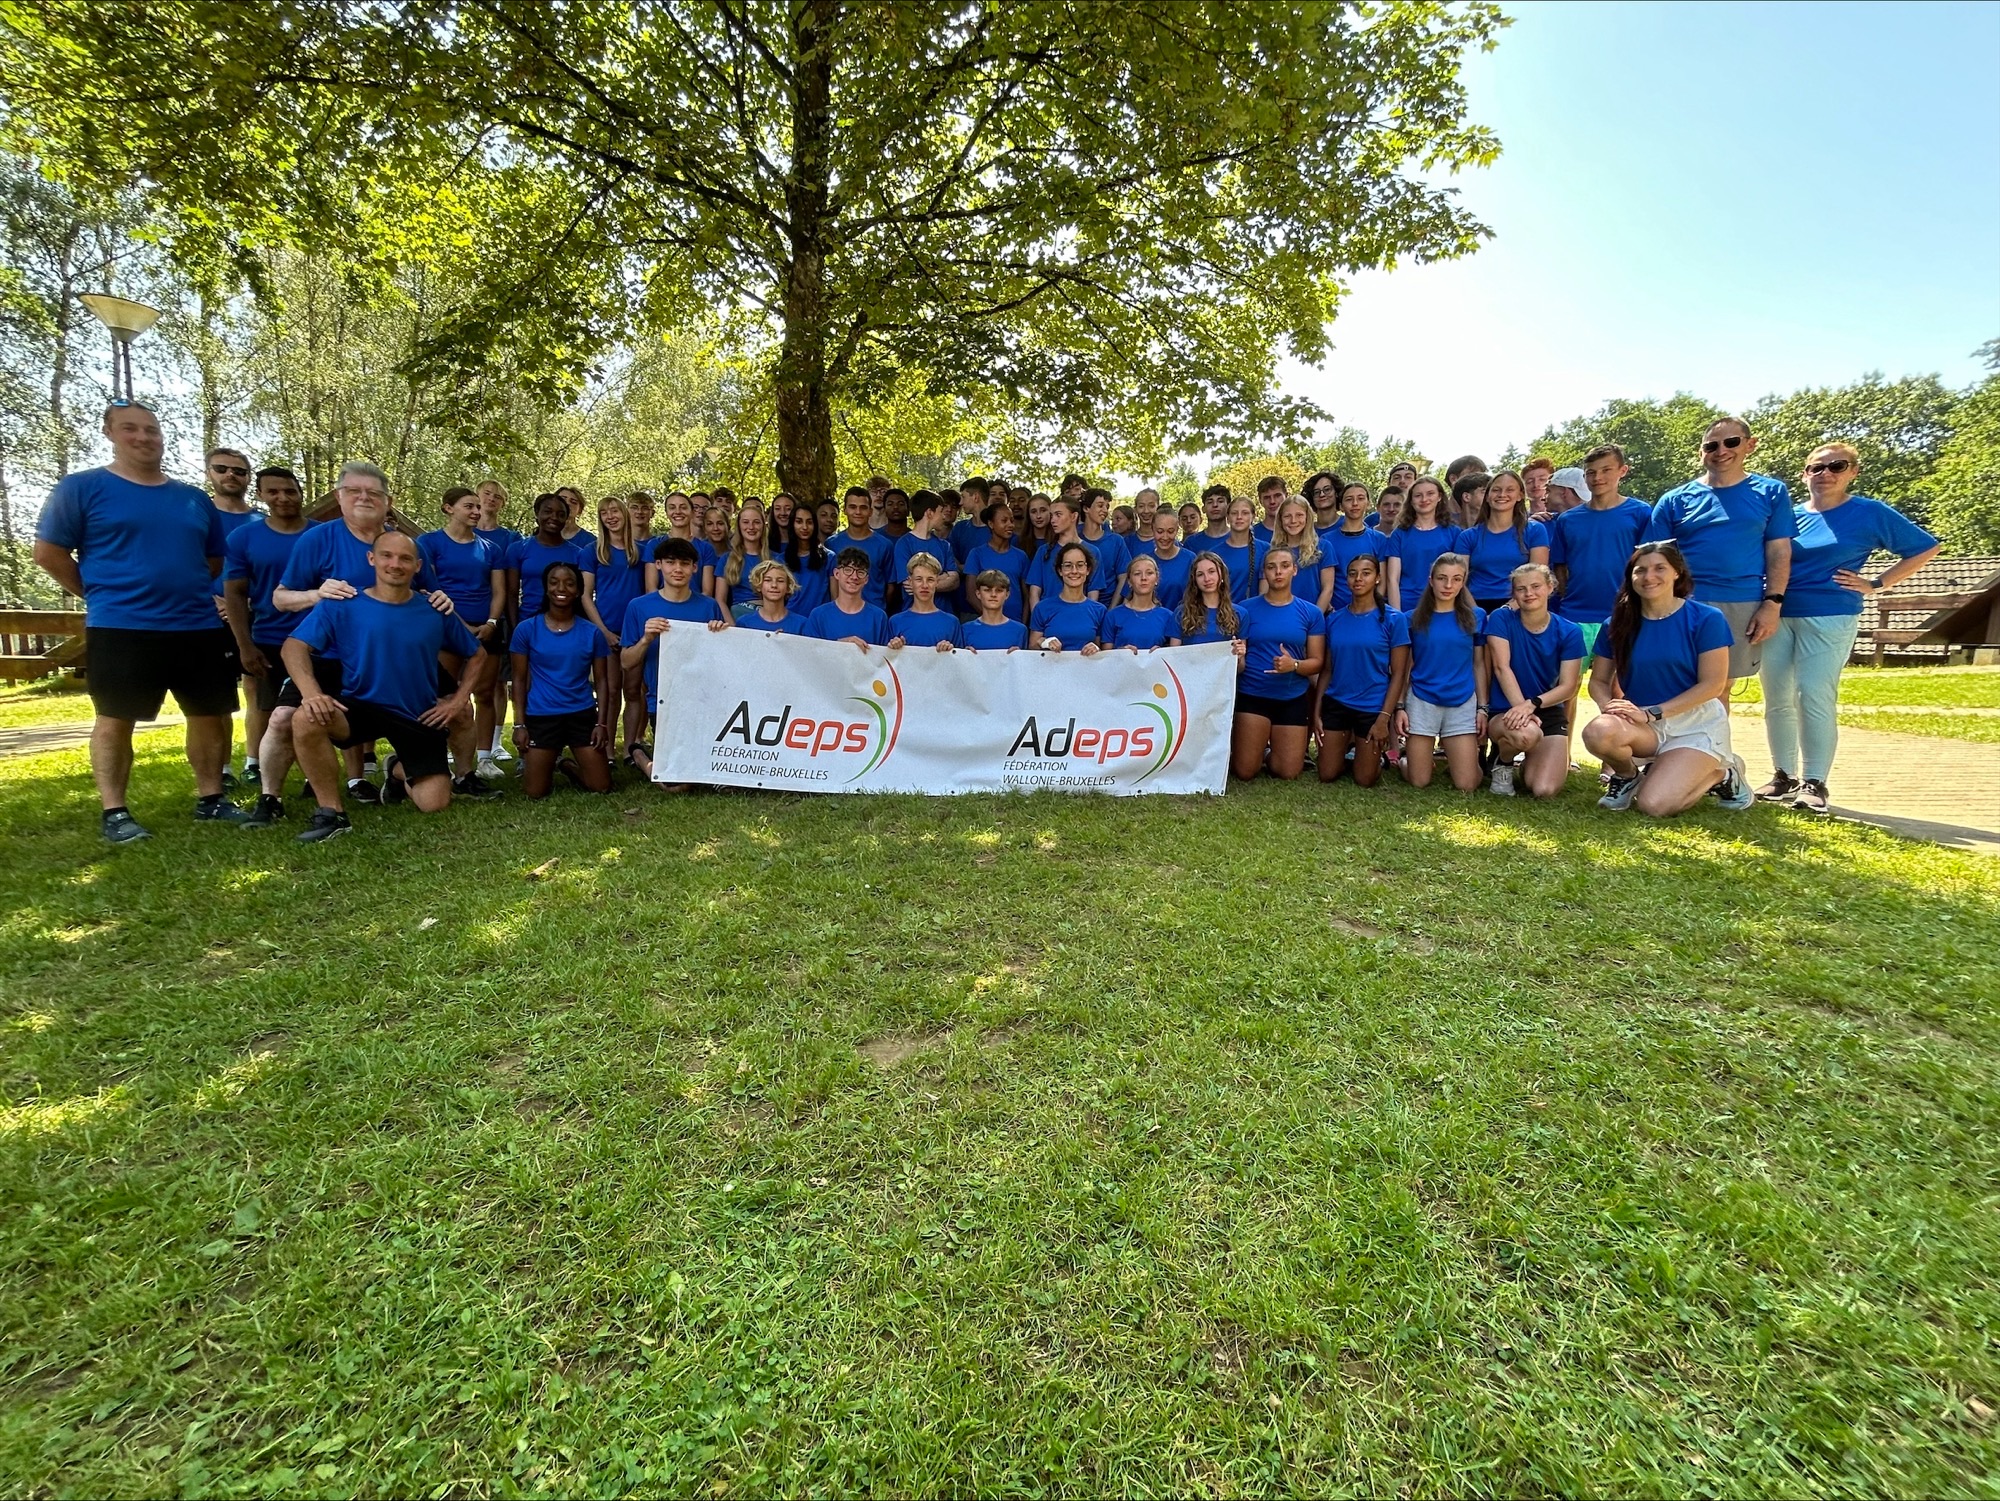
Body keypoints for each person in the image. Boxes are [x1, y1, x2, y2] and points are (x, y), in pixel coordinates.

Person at [32, 401, 247, 840]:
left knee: (209, 714)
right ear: (110, 433)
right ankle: (115, 811)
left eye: (151, 429)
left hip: (196, 624)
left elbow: (210, 559)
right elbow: (48, 554)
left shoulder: (191, 498)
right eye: (131, 429)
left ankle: (211, 798)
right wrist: (100, 593)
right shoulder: (81, 488)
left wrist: (179, 586)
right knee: (115, 717)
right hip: (122, 625)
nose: (144, 437)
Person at [1757, 443, 1939, 814]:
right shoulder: (1788, 516)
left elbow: (1924, 548)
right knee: (1778, 697)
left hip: (1831, 614)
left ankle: (1815, 782)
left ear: (1853, 471)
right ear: (1804, 474)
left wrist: (1877, 583)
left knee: (1814, 694)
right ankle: (1783, 775)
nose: (1825, 474)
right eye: (1816, 468)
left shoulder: (1868, 512)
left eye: (1836, 466)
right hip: (1778, 614)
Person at [283, 530, 492, 842]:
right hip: (360, 707)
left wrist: (458, 700)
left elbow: (477, 654)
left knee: (434, 803)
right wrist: (312, 693)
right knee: (304, 717)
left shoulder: (434, 609)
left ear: (418, 566)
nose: (396, 564)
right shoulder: (343, 603)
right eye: (387, 556)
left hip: (417, 714)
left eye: (405, 558)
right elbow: (293, 647)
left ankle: (397, 771)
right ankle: (331, 813)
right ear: (372, 559)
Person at [266, 460, 450, 809]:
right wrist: (317, 594)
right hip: (331, 656)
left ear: (388, 501)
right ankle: (272, 800)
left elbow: (429, 595)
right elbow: (280, 598)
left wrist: (440, 598)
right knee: (288, 717)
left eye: (373, 493)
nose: (364, 498)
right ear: (339, 496)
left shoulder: (410, 546)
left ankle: (399, 770)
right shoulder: (318, 538)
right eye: (354, 491)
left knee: (447, 718)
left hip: (393, 659)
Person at [1584, 541, 1753, 815]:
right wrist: (1610, 708)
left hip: (1694, 724)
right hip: (1641, 721)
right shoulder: (1616, 623)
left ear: (1677, 572)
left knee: (1654, 805)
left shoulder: (1706, 618)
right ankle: (1627, 777)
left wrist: (1653, 713)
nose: (1649, 577)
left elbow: (1713, 685)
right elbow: (1599, 682)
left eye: (1659, 568)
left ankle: (1723, 774)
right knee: (1598, 731)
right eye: (1640, 571)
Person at [1642, 416, 1795, 709]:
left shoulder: (1771, 492)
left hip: (1740, 600)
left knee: (1719, 685)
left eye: (1731, 442)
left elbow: (1779, 552)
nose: (1721, 450)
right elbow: (1653, 557)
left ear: (1750, 445)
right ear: (1701, 453)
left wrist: (1772, 603)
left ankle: (1714, 752)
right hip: (1682, 601)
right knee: (1672, 680)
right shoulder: (1675, 499)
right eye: (1711, 445)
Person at [222, 467, 315, 803]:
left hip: (319, 640)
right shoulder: (244, 538)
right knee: (268, 710)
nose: (283, 498)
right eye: (273, 492)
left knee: (316, 708)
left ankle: (313, 774)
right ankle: (264, 779)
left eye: (290, 491)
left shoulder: (322, 535)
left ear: (300, 492)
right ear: (260, 495)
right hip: (268, 637)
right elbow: (234, 593)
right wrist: (244, 644)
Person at [419, 486, 508, 788]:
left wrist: (492, 622)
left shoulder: (490, 549)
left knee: (484, 693)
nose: (475, 511)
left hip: (486, 628)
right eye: (468, 506)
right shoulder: (429, 542)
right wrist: (458, 624)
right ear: (448, 508)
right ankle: (440, 758)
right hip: (444, 626)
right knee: (446, 694)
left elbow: (499, 591)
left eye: (477, 507)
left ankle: (483, 759)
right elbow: (429, 587)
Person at [620, 536, 729, 780]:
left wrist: (720, 635)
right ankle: (639, 755)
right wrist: (646, 639)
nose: (677, 569)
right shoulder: (639, 607)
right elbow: (626, 662)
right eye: (670, 563)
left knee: (705, 772)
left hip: (702, 701)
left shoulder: (709, 606)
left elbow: (719, 660)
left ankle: (650, 756)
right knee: (676, 782)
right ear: (658, 565)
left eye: (684, 563)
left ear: (694, 567)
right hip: (663, 702)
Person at [508, 560, 612, 798]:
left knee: (601, 786)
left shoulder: (592, 633)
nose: (561, 588)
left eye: (569, 583)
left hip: (581, 714)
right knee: (535, 792)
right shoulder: (526, 630)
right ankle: (546, 763)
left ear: (578, 590)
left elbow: (603, 682)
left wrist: (602, 724)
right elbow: (519, 679)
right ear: (545, 588)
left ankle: (566, 766)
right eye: (554, 583)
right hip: (542, 716)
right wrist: (519, 724)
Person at [1483, 563, 1585, 798]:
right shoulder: (1501, 619)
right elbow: (1501, 667)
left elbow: (1568, 686)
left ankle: (1531, 761)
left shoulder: (1569, 631)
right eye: (1521, 589)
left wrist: (1532, 705)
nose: (1529, 593)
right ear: (1514, 594)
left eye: (1536, 586)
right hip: (1507, 709)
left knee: (1543, 789)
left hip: (1545, 708)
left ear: (1550, 587)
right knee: (1526, 733)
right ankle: (1504, 760)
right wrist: (1523, 709)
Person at [1313, 552, 1409, 788]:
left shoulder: (1393, 620)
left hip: (1372, 706)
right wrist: (1317, 712)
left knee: (1365, 779)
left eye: (1366, 573)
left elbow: (1398, 674)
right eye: (1353, 574)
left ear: (1377, 578)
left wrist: (1384, 719)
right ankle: (1349, 750)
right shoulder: (1334, 620)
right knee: (1327, 774)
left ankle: (1374, 757)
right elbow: (1327, 670)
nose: (1358, 579)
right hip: (1337, 702)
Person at [1549, 444, 1651, 659]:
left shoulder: (1640, 513)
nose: (1598, 478)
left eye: (1606, 470)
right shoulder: (1567, 520)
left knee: (1619, 687)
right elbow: (1559, 565)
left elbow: (1648, 563)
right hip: (1575, 614)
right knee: (1566, 685)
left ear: (1622, 471)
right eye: (1591, 472)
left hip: (1624, 612)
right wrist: (1568, 594)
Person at [1230, 549, 1325, 781]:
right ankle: (1254, 747)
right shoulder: (1245, 609)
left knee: (1288, 772)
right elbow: (1237, 652)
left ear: (1294, 570)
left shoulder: (1311, 613)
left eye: (1284, 566)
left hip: (1291, 696)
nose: (1278, 571)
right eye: (1271, 567)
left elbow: (1317, 662)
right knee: (1245, 771)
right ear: (1264, 572)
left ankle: (1271, 750)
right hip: (1253, 694)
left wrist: (1293, 665)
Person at [1398, 553, 1487, 792]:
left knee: (1467, 784)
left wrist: (1482, 708)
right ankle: (1407, 759)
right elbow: (1404, 667)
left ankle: (1462, 759)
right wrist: (1400, 707)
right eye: (1442, 578)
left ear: (1463, 582)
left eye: (1456, 579)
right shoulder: (1411, 619)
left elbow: (1479, 664)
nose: (1448, 586)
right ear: (1431, 580)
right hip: (1422, 699)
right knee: (1419, 780)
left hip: (1461, 700)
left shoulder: (1476, 617)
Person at [204, 446, 259, 783]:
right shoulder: (199, 517)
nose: (230, 476)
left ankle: (254, 762)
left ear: (247, 478)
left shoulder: (259, 521)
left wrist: (245, 604)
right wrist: (216, 600)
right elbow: (183, 566)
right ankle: (222, 769)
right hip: (207, 616)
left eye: (238, 471)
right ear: (209, 472)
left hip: (254, 614)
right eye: (222, 469)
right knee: (218, 694)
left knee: (256, 691)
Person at [1455, 469, 1550, 610]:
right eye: (1496, 490)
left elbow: (1537, 576)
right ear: (1487, 497)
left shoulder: (1535, 530)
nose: (1502, 495)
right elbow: (1458, 580)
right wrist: (1476, 613)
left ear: (1520, 496)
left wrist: (1506, 611)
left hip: (1522, 604)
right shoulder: (1468, 536)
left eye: (1510, 490)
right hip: (1475, 605)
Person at [1024, 495, 1114, 611]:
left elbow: (1093, 591)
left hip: (1079, 615)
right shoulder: (1044, 551)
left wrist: (1087, 618)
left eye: (1058, 515)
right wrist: (1038, 617)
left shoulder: (1092, 551)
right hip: (1048, 616)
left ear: (1074, 516)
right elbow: (1034, 590)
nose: (1052, 520)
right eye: (1052, 516)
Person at [507, 493, 589, 619]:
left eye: (561, 514)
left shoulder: (578, 554)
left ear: (566, 519)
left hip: (567, 624)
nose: (554, 517)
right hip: (527, 621)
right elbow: (511, 594)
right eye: (548, 512)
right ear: (537, 514)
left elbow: (582, 595)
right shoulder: (518, 549)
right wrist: (514, 629)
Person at [1387, 476, 1456, 613]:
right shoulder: (1399, 534)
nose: (1424, 500)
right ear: (1411, 501)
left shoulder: (1454, 533)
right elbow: (1392, 579)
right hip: (1408, 604)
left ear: (1439, 497)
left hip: (1443, 605)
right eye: (1418, 495)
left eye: (1430, 494)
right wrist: (1397, 616)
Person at [806, 546, 893, 647]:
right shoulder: (818, 615)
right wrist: (841, 646)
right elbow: (810, 655)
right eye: (848, 570)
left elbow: (884, 658)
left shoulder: (878, 617)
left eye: (860, 572)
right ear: (837, 574)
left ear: (866, 579)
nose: (854, 577)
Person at [1028, 543, 1107, 652]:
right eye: (1068, 565)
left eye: (1080, 565)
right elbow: (1032, 647)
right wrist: (1043, 642)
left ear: (1088, 570)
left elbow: (1105, 650)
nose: (1074, 571)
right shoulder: (1042, 608)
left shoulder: (1099, 611)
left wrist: (1096, 648)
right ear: (1060, 570)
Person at [1319, 483, 1385, 612]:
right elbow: (1324, 583)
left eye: (1360, 498)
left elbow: (1381, 580)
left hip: (1369, 611)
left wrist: (1374, 609)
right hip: (1335, 612)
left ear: (1368, 503)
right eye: (1349, 499)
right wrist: (1330, 610)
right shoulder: (1326, 540)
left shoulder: (1378, 539)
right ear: (1341, 506)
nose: (1355, 503)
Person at [890, 492, 961, 612]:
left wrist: (921, 582)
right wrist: (943, 577)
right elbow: (909, 585)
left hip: (944, 616)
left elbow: (955, 581)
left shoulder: (944, 545)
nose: (944, 517)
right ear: (929, 513)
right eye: (940, 512)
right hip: (914, 617)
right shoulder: (904, 544)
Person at [961, 500, 1028, 619]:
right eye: (1004, 521)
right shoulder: (977, 554)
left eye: (1011, 521)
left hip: (1015, 627)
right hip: (985, 626)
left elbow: (1027, 596)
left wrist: (1022, 625)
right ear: (991, 524)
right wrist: (992, 619)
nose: (1010, 525)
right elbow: (971, 595)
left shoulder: (1021, 556)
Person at [829, 485, 893, 608]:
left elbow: (890, 587)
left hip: (874, 614)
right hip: (840, 614)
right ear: (845, 510)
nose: (858, 512)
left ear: (870, 511)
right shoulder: (831, 544)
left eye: (863, 508)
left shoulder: (885, 545)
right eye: (853, 507)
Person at [1265, 496, 1331, 610]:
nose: (1293, 521)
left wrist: (1315, 618)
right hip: (1281, 614)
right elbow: (1266, 590)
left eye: (1299, 515)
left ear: (1308, 517)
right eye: (1287, 516)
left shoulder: (1323, 547)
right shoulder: (1272, 551)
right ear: (1280, 519)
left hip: (1313, 615)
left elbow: (1327, 589)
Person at [1103, 554, 1180, 651]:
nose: (1143, 578)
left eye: (1149, 573)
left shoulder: (1169, 616)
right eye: (1137, 574)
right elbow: (1105, 656)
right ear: (1129, 581)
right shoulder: (1113, 616)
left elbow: (1174, 654)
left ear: (1156, 579)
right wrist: (1121, 652)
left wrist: (1162, 652)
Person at [888, 553, 963, 649]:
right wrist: (893, 648)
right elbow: (885, 660)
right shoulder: (895, 622)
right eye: (919, 579)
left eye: (930, 580)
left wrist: (950, 650)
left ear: (937, 582)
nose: (924, 585)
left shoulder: (951, 622)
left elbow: (960, 660)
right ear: (910, 582)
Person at [715, 501, 776, 615]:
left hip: (769, 615)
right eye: (745, 522)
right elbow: (720, 599)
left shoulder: (776, 559)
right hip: (738, 615)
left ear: (764, 525)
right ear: (739, 526)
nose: (751, 527)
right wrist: (732, 628)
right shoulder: (727, 559)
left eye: (756, 522)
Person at [1135, 507, 1194, 610]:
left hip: (1183, 621)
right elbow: (1130, 598)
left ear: (1177, 530)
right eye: (1160, 531)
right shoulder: (1144, 562)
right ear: (1152, 529)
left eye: (1170, 531)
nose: (1165, 537)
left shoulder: (1190, 559)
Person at [734, 560, 811, 635]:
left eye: (780, 581)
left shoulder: (801, 624)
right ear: (758, 586)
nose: (774, 585)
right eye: (768, 580)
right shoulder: (745, 623)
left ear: (788, 587)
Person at [1177, 553, 1239, 646]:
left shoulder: (1239, 613)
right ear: (1195, 580)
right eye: (1200, 574)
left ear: (1222, 575)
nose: (1207, 579)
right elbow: (1172, 656)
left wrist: (1240, 653)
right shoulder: (1181, 613)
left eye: (1211, 571)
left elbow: (1241, 660)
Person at [781, 503, 832, 616]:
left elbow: (835, 599)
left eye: (809, 522)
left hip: (820, 622)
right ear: (792, 524)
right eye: (799, 521)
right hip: (791, 622)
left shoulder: (829, 558)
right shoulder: (780, 560)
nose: (804, 527)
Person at [962, 570, 1030, 649]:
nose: (993, 595)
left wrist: (1019, 656)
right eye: (987, 590)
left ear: (1007, 594)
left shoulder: (1020, 630)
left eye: (999, 590)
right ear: (978, 594)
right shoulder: (965, 629)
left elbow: (1025, 660)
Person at [1250, 474, 1288, 546]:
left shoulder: (1297, 531)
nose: (1272, 501)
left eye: (1277, 496)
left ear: (1286, 496)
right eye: (1267, 497)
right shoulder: (1252, 535)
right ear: (1260, 500)